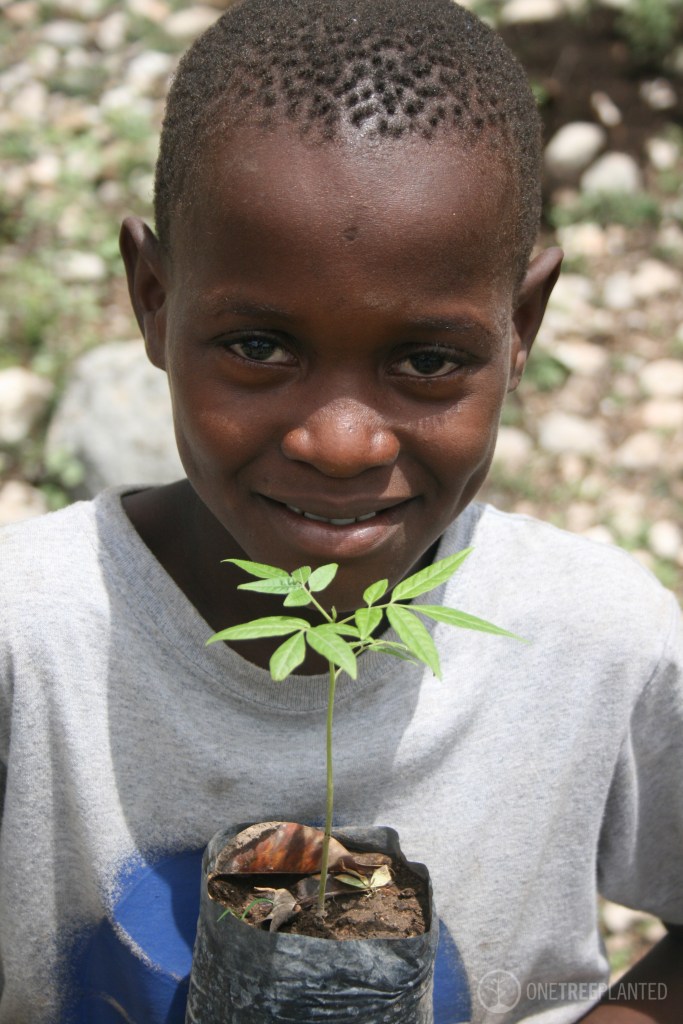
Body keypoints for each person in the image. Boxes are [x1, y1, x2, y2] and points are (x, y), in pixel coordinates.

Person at [0, 0, 681, 1021]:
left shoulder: (593, 640)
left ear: (520, 327)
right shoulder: (28, 638)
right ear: (151, 296)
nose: (341, 441)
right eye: (259, 347)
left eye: (426, 361)